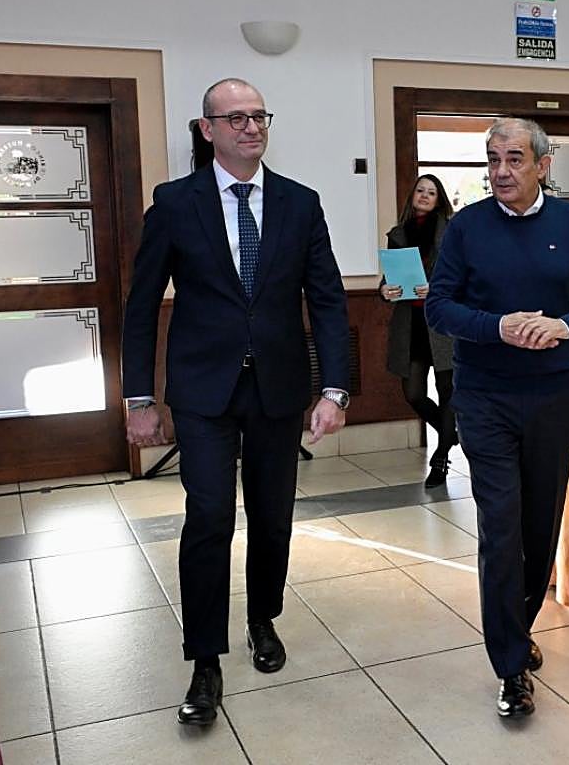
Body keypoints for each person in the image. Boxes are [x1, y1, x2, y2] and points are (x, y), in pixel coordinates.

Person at [121, 78, 350, 727]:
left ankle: (261, 618)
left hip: (278, 388)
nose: (252, 127)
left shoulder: (300, 204)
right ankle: (204, 658)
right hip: (202, 391)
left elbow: (329, 300)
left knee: (274, 517)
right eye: (237, 118)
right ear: (207, 128)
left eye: (259, 116)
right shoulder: (174, 203)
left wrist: (334, 388)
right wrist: (140, 397)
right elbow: (141, 308)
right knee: (210, 517)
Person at [424, 118, 569, 719]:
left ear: (544, 165)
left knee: (539, 527)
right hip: (484, 396)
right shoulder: (466, 227)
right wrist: (495, 326)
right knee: (500, 528)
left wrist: (566, 324)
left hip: (550, 397)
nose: (501, 172)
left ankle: (517, 627)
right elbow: (438, 307)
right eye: (492, 160)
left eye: (514, 159)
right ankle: (510, 666)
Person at [381, 174, 456, 488]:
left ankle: (441, 457)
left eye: (432, 192)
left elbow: (464, 277)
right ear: (412, 196)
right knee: (412, 393)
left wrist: (436, 289)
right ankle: (452, 433)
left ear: (439, 200)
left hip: (441, 324)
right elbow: (389, 278)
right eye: (421, 191)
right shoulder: (398, 234)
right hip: (410, 325)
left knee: (447, 390)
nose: (425, 196)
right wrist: (385, 289)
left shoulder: (451, 231)